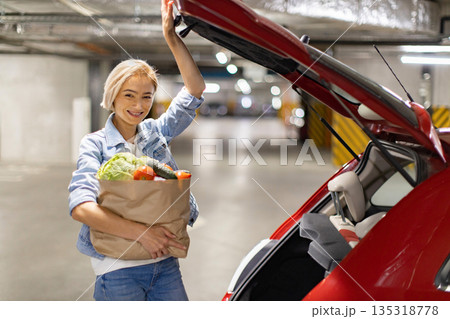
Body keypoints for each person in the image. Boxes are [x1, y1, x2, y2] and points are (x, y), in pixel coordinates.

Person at [68, 0, 205, 301]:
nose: (139, 106)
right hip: (118, 268)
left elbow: (194, 90)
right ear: (113, 96)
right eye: (129, 95)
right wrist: (142, 233)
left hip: (165, 263)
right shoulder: (95, 144)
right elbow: (81, 207)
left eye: (146, 97)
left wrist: (172, 38)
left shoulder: (156, 133)